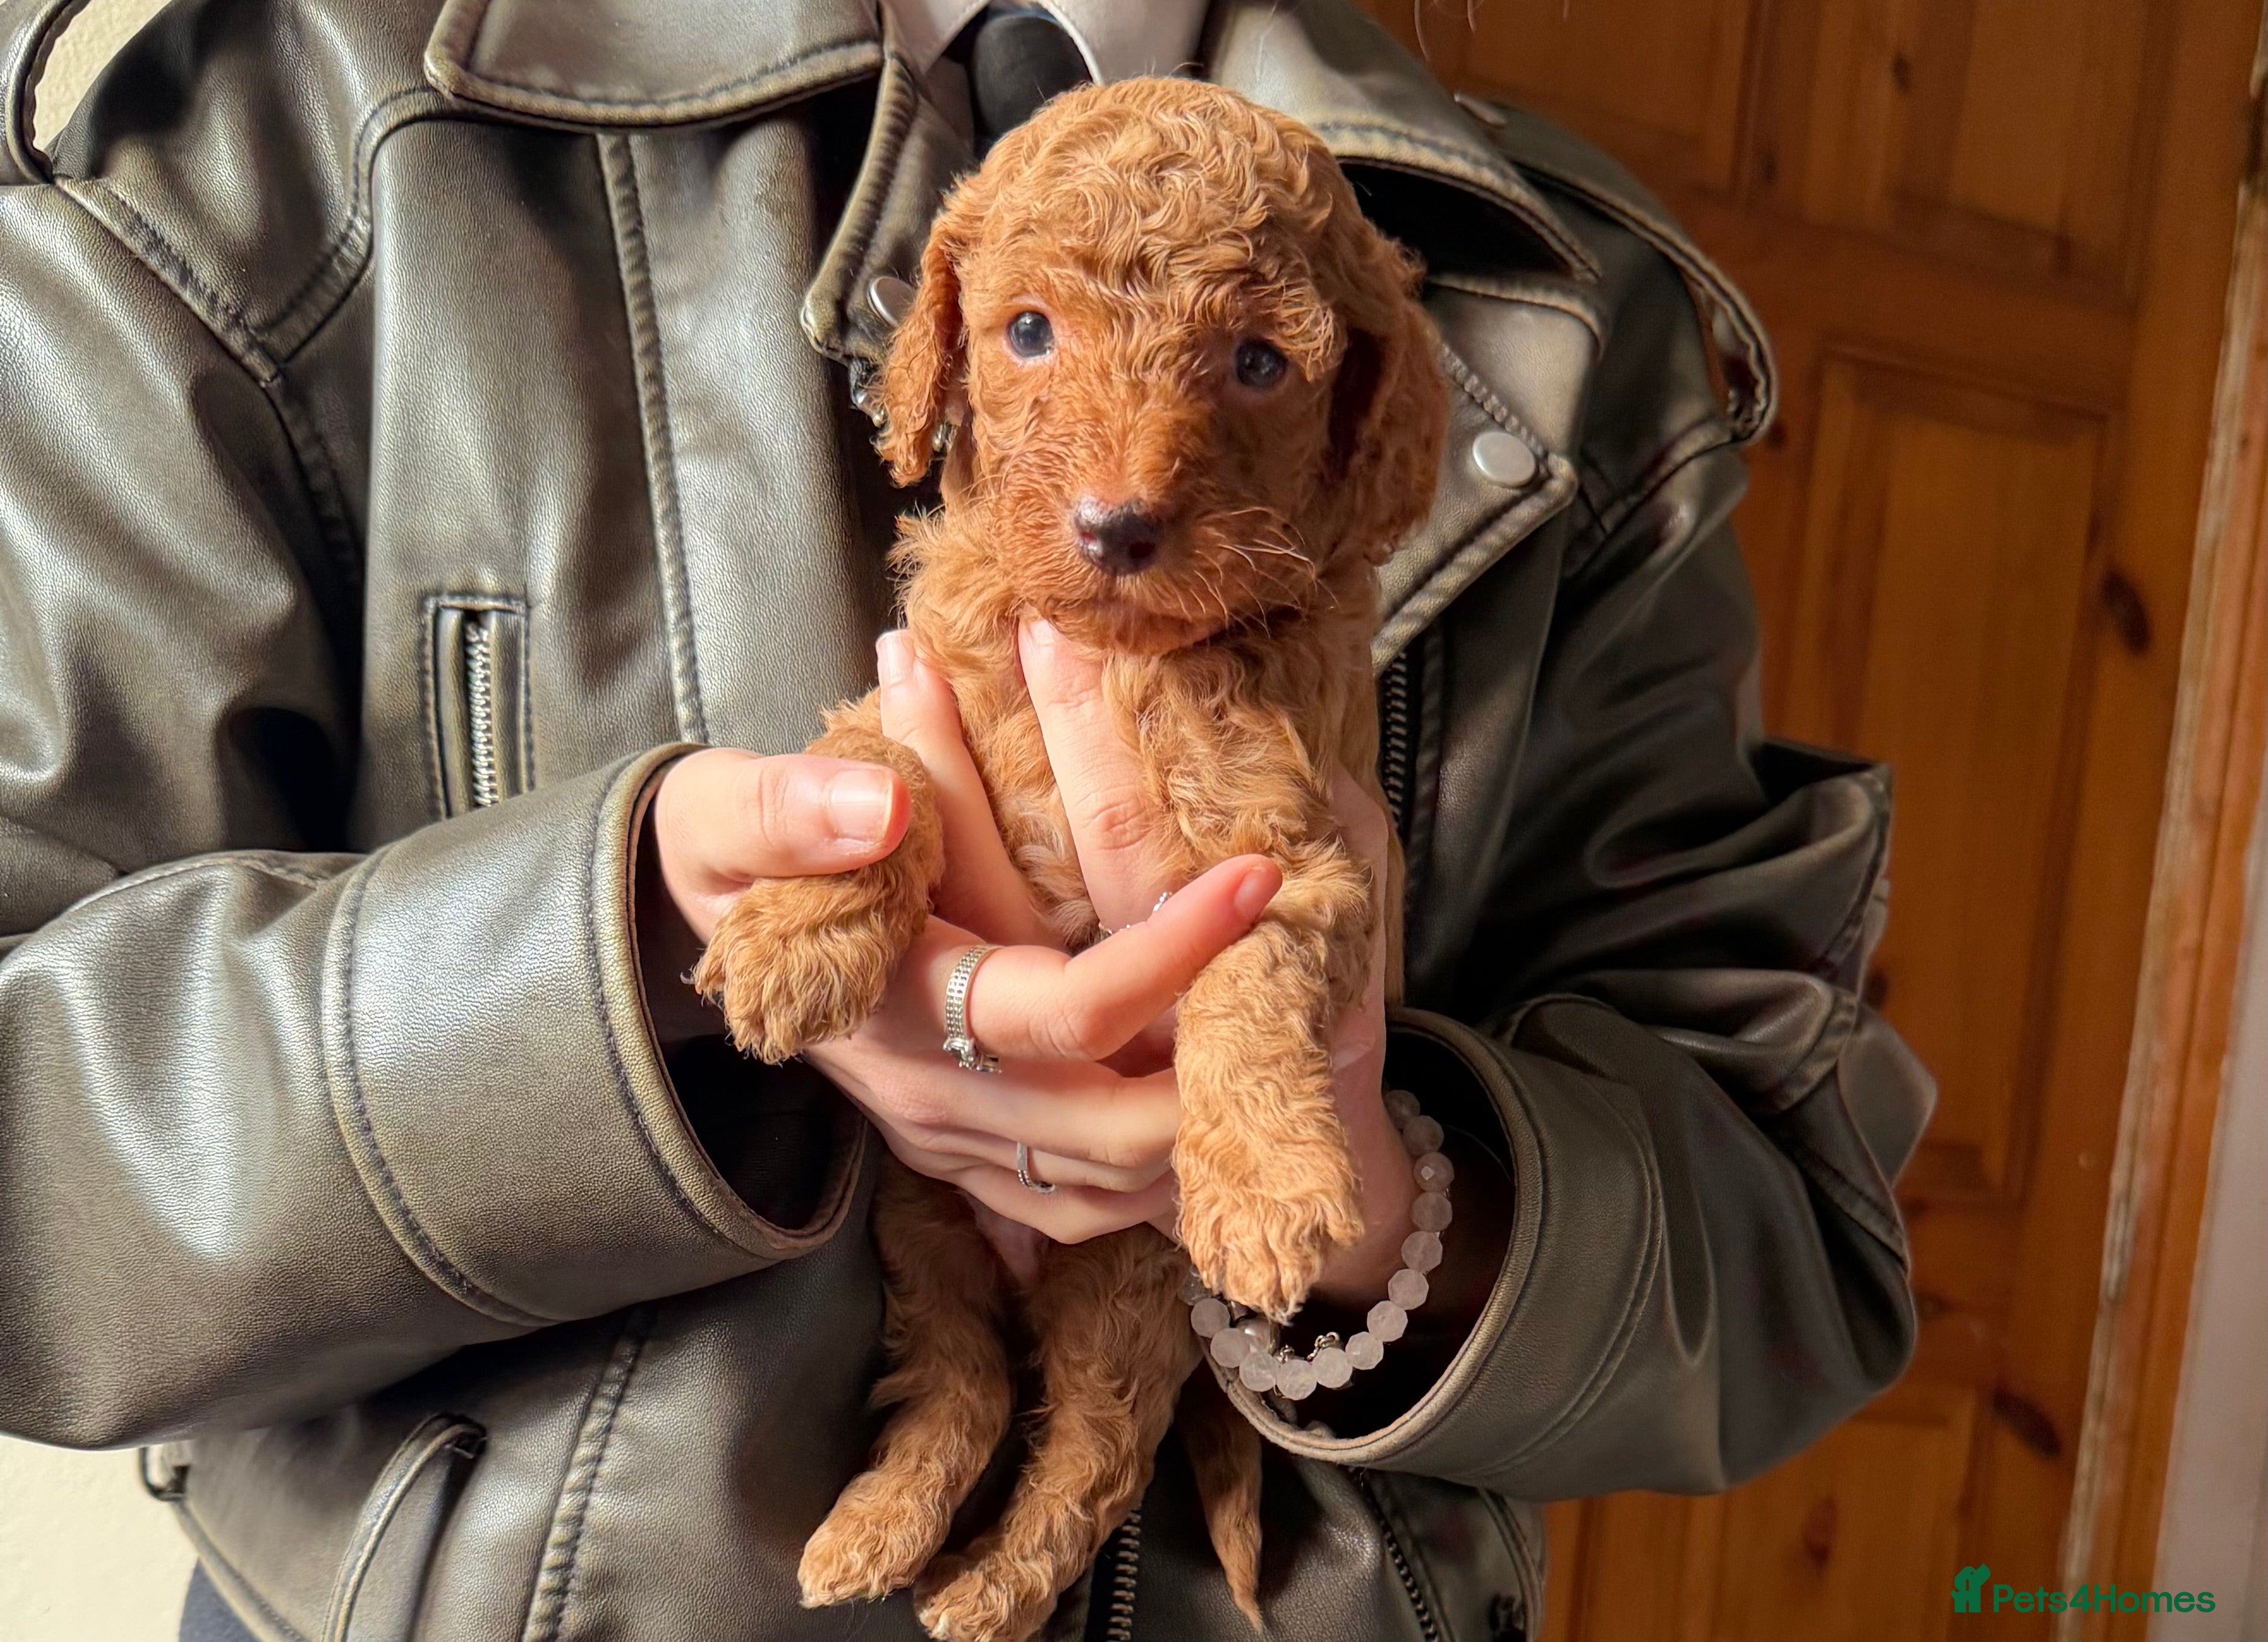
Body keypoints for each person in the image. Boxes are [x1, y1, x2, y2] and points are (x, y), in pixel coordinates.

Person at [0, 0, 1935, 1638]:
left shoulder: (1586, 321)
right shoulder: (265, 127)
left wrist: (1386, 1190)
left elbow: (1792, 1235)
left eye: (1254, 368)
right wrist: (629, 978)